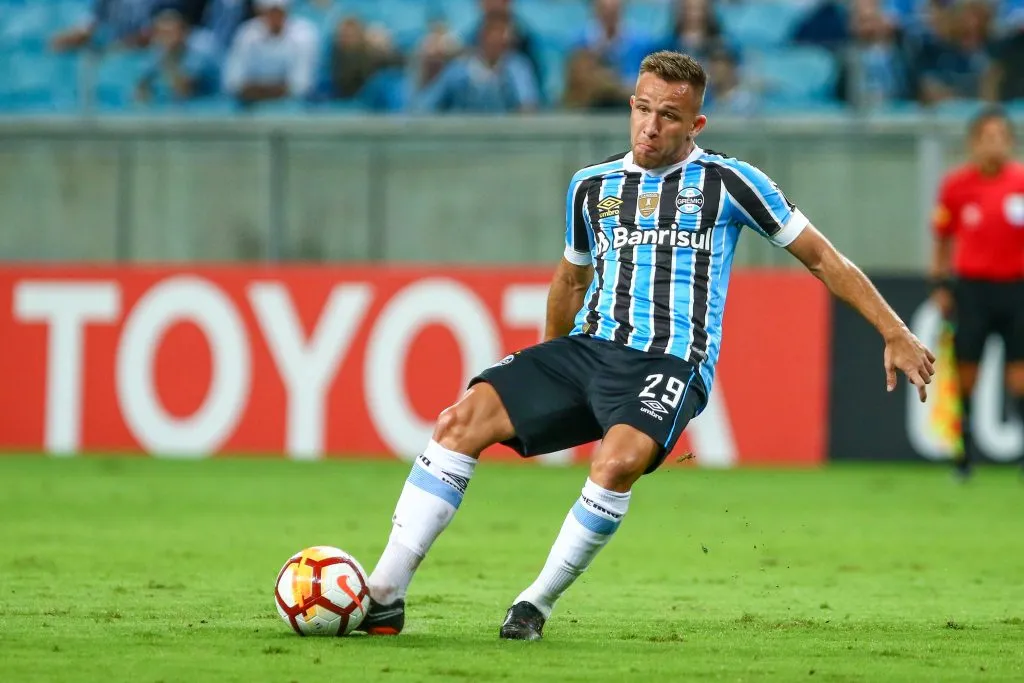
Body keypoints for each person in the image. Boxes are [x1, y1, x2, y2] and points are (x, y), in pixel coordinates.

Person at [357, 50, 935, 641]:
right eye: (642, 109)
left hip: (670, 362)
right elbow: (570, 279)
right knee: (459, 421)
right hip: (588, 349)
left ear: (695, 125)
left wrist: (895, 330)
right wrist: (547, 371)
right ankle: (385, 593)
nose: (651, 126)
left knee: (617, 463)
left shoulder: (730, 182)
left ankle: (534, 603)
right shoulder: (591, 185)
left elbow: (821, 256)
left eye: (668, 115)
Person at [931, 106, 1024, 480]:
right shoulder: (956, 186)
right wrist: (939, 283)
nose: (994, 144)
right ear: (974, 143)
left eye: (1001, 137)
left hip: (1017, 289)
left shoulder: (1020, 182)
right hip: (972, 291)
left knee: (1019, 375)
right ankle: (964, 454)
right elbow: (942, 238)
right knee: (967, 373)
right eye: (987, 137)